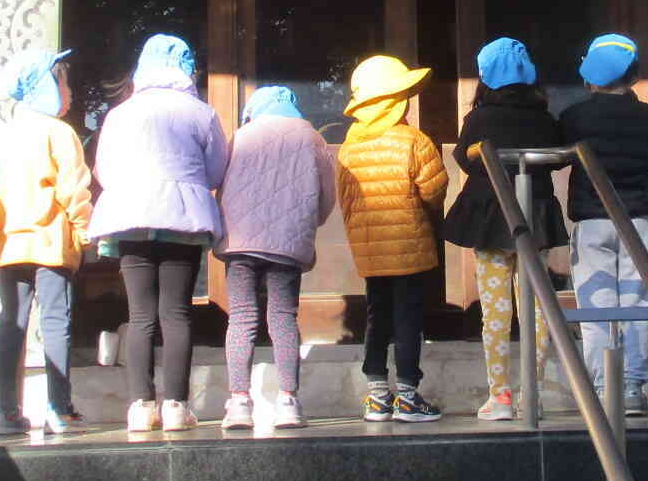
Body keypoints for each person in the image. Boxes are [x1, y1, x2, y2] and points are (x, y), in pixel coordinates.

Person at [88, 33, 228, 435]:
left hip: (131, 215)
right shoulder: (200, 113)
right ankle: (176, 407)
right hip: (182, 217)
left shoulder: (120, 114)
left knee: (140, 316)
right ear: (187, 68)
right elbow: (217, 170)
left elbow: (104, 170)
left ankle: (139, 406)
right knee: (177, 313)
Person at [442, 37, 570, 421]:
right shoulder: (545, 118)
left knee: (495, 310)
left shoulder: (479, 119)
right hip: (536, 216)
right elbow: (556, 161)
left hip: (490, 218)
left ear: (484, 77)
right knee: (536, 308)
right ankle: (533, 392)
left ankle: (499, 396)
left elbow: (465, 159)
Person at [0, 49, 93, 437]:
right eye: (63, 82)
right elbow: (74, 191)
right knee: (56, 322)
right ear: (45, 87)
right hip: (50, 246)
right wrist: (83, 233)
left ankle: (5, 411)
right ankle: (59, 409)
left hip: (11, 248)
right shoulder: (60, 134)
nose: (70, 91)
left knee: (9, 325)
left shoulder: (3, 136)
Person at [214, 85, 336, 432]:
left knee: (241, 317)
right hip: (287, 244)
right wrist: (305, 223)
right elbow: (327, 196)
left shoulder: (241, 135)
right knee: (283, 316)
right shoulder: (311, 137)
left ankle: (238, 401)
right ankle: (288, 402)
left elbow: (222, 187)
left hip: (240, 242)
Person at [559, 33, 648, 416]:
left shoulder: (574, 117)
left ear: (590, 74)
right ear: (634, 75)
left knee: (596, 303)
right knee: (639, 302)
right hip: (637, 218)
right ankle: (634, 389)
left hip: (591, 220)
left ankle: (605, 386)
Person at [336, 54, 449, 423]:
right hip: (409, 245)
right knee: (407, 318)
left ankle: (376, 396)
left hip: (370, 249)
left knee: (376, 315)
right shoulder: (414, 140)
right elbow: (435, 190)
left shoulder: (349, 146)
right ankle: (407, 396)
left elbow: (346, 201)